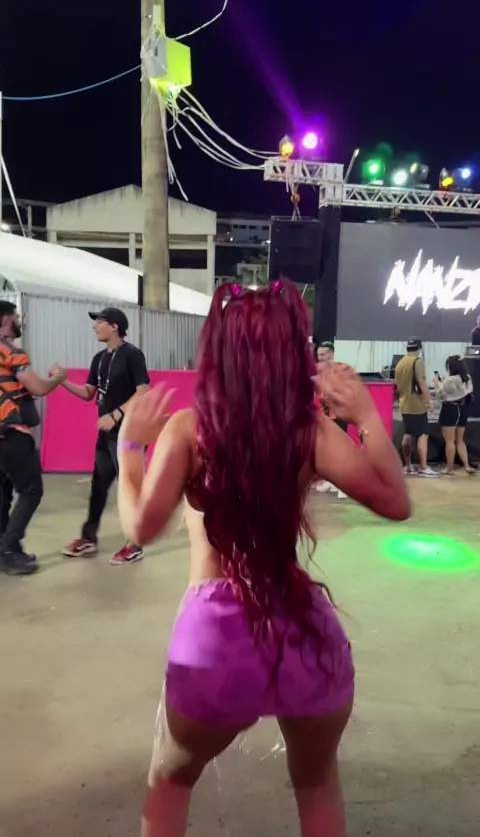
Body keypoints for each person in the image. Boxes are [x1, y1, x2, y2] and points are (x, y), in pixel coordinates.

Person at [116, 280, 410, 837]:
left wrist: (130, 447)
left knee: (170, 782)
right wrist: (366, 416)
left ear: (217, 347)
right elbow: (395, 502)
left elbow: (140, 527)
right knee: (317, 785)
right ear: (292, 351)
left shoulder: (189, 430)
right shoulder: (310, 432)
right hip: (304, 630)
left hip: (214, 640)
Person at [56, 307, 150, 565]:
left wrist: (116, 414)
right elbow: (89, 393)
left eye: (99, 322)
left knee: (130, 491)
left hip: (129, 434)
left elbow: (143, 391)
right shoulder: (99, 358)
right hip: (106, 437)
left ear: (115, 326)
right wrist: (62, 381)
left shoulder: (131, 354)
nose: (94, 327)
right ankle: (88, 538)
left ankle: (135, 544)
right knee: (98, 487)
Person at [0, 300, 66, 575]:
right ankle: (8, 549)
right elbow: (38, 387)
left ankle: (5, 547)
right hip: (11, 431)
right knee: (30, 490)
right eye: (16, 316)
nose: (19, 321)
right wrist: (57, 378)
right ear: (6, 319)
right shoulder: (11, 351)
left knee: (3, 492)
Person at [395, 337, 439, 478]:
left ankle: (407, 466)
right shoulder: (417, 361)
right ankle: (423, 467)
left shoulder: (400, 363)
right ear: (419, 348)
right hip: (416, 404)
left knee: (408, 433)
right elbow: (421, 382)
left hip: (403, 403)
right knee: (423, 434)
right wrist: (430, 400)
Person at [315, 342, 348, 498]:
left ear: (331, 354)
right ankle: (331, 481)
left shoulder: (339, 371)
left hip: (338, 416)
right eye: (318, 355)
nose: (320, 357)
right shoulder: (319, 372)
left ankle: (344, 485)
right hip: (324, 416)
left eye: (323, 354)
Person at [434, 355, 474, 475]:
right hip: (462, 408)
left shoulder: (449, 380)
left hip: (450, 409)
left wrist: (436, 382)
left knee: (450, 441)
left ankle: (449, 468)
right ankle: (467, 465)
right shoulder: (467, 377)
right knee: (460, 440)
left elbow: (440, 394)